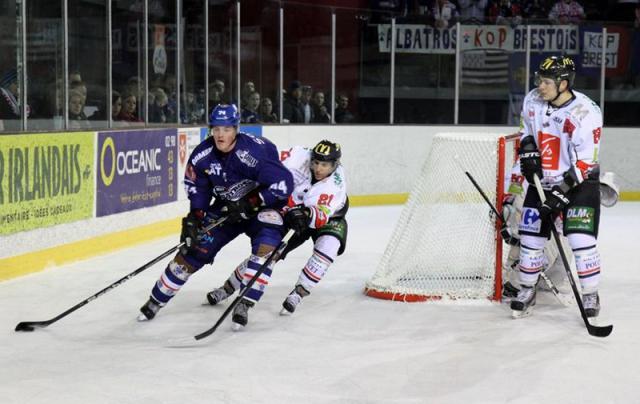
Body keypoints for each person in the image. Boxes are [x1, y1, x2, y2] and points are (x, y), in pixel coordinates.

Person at [137, 104, 293, 329]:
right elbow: (197, 187)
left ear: (236, 129)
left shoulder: (254, 153)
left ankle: (245, 302)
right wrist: (195, 216)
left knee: (266, 248)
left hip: (263, 208)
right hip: (227, 208)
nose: (220, 134)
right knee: (193, 249)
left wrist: (253, 201)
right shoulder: (202, 156)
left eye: (227, 129)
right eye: (216, 129)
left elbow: (284, 183)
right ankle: (156, 300)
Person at [206, 139, 348, 315]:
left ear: (335, 165)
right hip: (293, 213)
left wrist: (304, 214)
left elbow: (319, 217)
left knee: (328, 247)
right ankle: (227, 288)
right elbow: (268, 163)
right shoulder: (298, 155)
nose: (318, 169)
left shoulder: (335, 184)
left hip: (329, 217)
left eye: (324, 165)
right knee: (269, 253)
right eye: (316, 162)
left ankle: (299, 293)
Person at [511, 55, 604, 319]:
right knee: (530, 239)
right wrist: (528, 149)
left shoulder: (585, 113)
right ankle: (527, 290)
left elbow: (587, 163)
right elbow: (525, 131)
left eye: (547, 81)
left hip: (578, 184)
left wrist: (561, 194)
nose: (540, 86)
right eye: (539, 80)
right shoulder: (532, 100)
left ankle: (590, 294)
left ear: (564, 84)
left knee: (580, 240)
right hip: (542, 181)